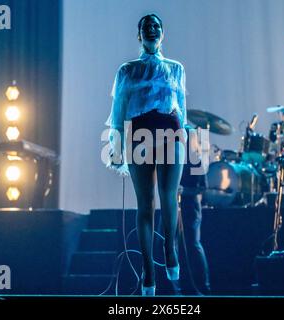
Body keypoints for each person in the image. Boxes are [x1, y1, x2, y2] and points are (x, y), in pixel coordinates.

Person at [105, 14, 187, 296]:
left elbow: (183, 108)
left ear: (162, 34)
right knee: (145, 205)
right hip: (139, 133)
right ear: (139, 36)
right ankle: (148, 271)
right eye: (146, 27)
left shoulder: (176, 69)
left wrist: (184, 135)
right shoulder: (127, 70)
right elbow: (118, 111)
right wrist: (116, 145)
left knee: (168, 195)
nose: (152, 29)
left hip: (170, 130)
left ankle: (169, 247)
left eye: (156, 26)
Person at [176, 125, 211, 295]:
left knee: (192, 244)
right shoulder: (176, 157)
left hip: (191, 206)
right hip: (176, 206)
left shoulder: (196, 158)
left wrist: (184, 190)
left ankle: (202, 286)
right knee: (171, 244)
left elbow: (203, 187)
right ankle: (178, 287)